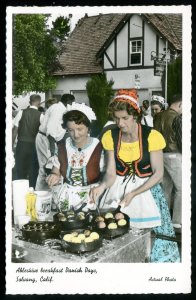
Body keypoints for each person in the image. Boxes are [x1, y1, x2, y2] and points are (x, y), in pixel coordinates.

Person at [90, 88, 180, 262]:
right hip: (117, 190)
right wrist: (101, 186)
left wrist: (133, 193)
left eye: (125, 118)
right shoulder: (110, 136)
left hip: (146, 192)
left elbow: (158, 174)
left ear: (135, 116)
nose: (120, 123)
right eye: (116, 118)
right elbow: (110, 173)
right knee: (115, 235)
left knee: (150, 241)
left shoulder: (152, 136)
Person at [46, 103, 104, 210]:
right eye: (71, 130)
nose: (75, 135)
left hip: (92, 196)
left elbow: (106, 175)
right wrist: (54, 175)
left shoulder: (99, 147)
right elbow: (56, 169)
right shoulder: (62, 146)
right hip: (66, 197)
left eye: (79, 129)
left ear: (88, 128)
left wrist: (100, 187)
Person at [154, 94, 182, 229]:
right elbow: (180, 139)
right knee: (181, 189)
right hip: (174, 154)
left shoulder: (158, 116)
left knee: (166, 187)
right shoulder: (177, 117)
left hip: (160, 154)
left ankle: (162, 218)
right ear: (180, 104)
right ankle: (177, 221)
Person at [35, 94, 75, 191]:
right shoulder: (58, 109)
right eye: (72, 102)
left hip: (47, 139)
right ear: (68, 102)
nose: (72, 105)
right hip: (46, 139)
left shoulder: (58, 107)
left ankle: (42, 192)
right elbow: (50, 131)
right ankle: (41, 193)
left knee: (45, 168)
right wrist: (53, 152)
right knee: (47, 167)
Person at [12, 94, 43, 188]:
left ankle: (18, 190)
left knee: (19, 169)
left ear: (30, 101)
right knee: (32, 170)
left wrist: (11, 146)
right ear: (39, 103)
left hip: (21, 144)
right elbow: (43, 134)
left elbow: (14, 131)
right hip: (33, 146)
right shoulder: (41, 115)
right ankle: (31, 191)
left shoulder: (21, 112)